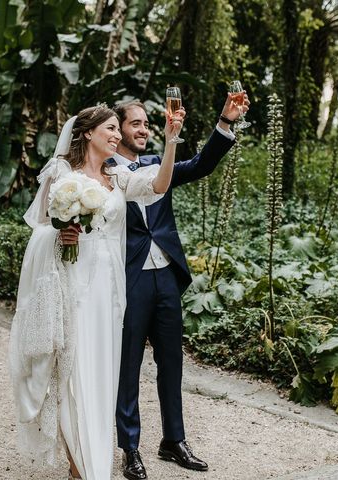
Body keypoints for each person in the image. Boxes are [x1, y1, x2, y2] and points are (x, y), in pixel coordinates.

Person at [7, 104, 184, 480]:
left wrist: (171, 142)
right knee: (73, 373)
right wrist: (61, 232)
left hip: (110, 288)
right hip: (74, 284)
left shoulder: (118, 176)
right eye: (110, 129)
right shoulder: (61, 173)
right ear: (87, 133)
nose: (117, 136)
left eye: (118, 131)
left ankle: (91, 462)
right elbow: (39, 225)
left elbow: (158, 186)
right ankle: (83, 469)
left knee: (103, 373)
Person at [111, 92, 250, 480]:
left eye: (146, 123)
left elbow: (203, 164)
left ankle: (174, 440)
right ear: (117, 128)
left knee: (171, 362)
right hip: (129, 277)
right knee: (128, 366)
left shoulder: (160, 163)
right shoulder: (104, 173)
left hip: (167, 276)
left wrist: (225, 122)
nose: (144, 129)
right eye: (135, 123)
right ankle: (131, 448)